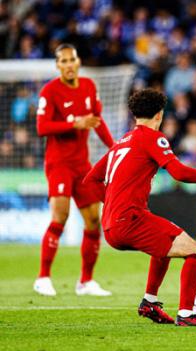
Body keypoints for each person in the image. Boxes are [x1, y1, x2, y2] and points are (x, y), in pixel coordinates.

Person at [84, 89, 196, 326]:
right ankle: (186, 315)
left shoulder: (120, 143)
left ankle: (150, 303)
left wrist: (112, 203)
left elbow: (89, 180)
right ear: (159, 115)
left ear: (134, 115)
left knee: (164, 246)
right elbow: (179, 173)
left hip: (111, 226)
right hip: (130, 220)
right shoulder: (153, 138)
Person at [34, 43, 114, 297]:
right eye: (63, 61)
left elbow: (97, 122)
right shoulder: (50, 90)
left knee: (93, 220)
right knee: (60, 216)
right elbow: (42, 127)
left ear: (78, 62)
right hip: (58, 163)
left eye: (72, 60)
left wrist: (114, 149)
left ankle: (86, 282)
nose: (68, 65)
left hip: (83, 164)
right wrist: (73, 122)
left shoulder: (89, 87)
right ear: (57, 65)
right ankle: (43, 277)